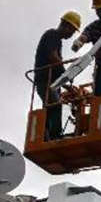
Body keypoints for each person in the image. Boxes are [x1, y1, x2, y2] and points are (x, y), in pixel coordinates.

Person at [34, 11, 81, 139]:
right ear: (66, 25)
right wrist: (67, 74)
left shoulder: (57, 41)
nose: (71, 34)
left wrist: (67, 86)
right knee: (55, 104)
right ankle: (54, 136)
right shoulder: (52, 35)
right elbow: (53, 58)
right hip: (45, 81)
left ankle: (47, 135)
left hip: (51, 82)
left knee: (51, 107)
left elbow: (56, 67)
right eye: (72, 31)